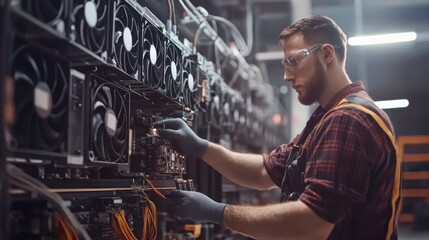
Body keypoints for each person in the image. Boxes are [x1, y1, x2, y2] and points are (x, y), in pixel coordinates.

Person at [160, 15, 400, 240]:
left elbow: (311, 222)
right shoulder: (326, 118)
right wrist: (201, 148)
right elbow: (264, 172)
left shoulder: (350, 119)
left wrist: (215, 212)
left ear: (326, 54)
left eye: (293, 61)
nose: (286, 75)